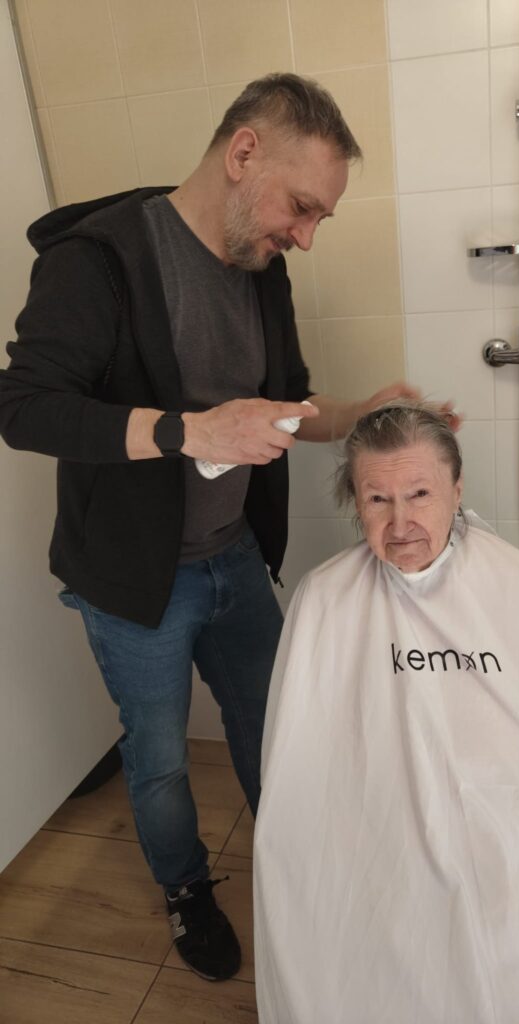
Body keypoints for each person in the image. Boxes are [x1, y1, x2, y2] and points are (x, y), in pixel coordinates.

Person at [0, 73, 424, 983]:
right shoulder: (98, 260)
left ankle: (298, 866)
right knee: (156, 758)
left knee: (275, 726)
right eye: (301, 207)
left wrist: (358, 413)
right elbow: (24, 408)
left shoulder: (262, 271)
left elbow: (287, 404)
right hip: (134, 582)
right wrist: (187, 431)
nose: (305, 236)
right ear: (242, 154)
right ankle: (187, 888)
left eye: (319, 220)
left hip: (234, 559)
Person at [253, 402, 519, 1024]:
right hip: (368, 800)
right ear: (355, 501)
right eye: (377, 499)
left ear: (456, 490)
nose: (401, 523)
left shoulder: (516, 580)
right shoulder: (325, 597)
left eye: (419, 494)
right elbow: (298, 754)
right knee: (312, 866)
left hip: (508, 792)